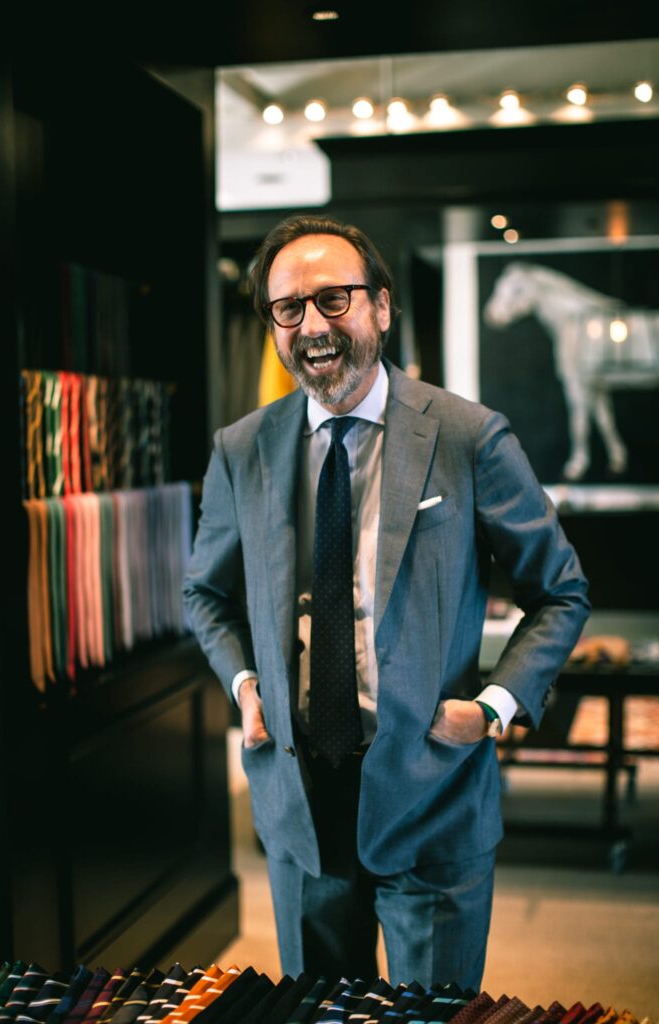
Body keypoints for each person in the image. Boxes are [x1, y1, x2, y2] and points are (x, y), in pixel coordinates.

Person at [183, 214, 590, 990]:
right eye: (288, 308)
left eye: (333, 299)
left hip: (430, 789)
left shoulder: (469, 436)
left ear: (380, 307)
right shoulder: (242, 448)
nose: (312, 325)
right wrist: (243, 686)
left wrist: (493, 706)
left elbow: (559, 591)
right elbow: (205, 591)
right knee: (317, 1012)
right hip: (298, 805)